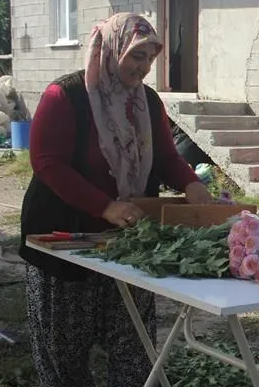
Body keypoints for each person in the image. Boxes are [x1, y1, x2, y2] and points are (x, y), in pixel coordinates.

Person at [18, 13, 213, 387]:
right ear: (111, 48)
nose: (143, 67)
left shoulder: (147, 102)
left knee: (133, 348)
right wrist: (104, 206)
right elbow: (47, 163)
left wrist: (192, 186)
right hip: (67, 239)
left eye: (149, 58)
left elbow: (166, 158)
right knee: (65, 355)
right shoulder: (67, 95)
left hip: (128, 243)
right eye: (136, 55)